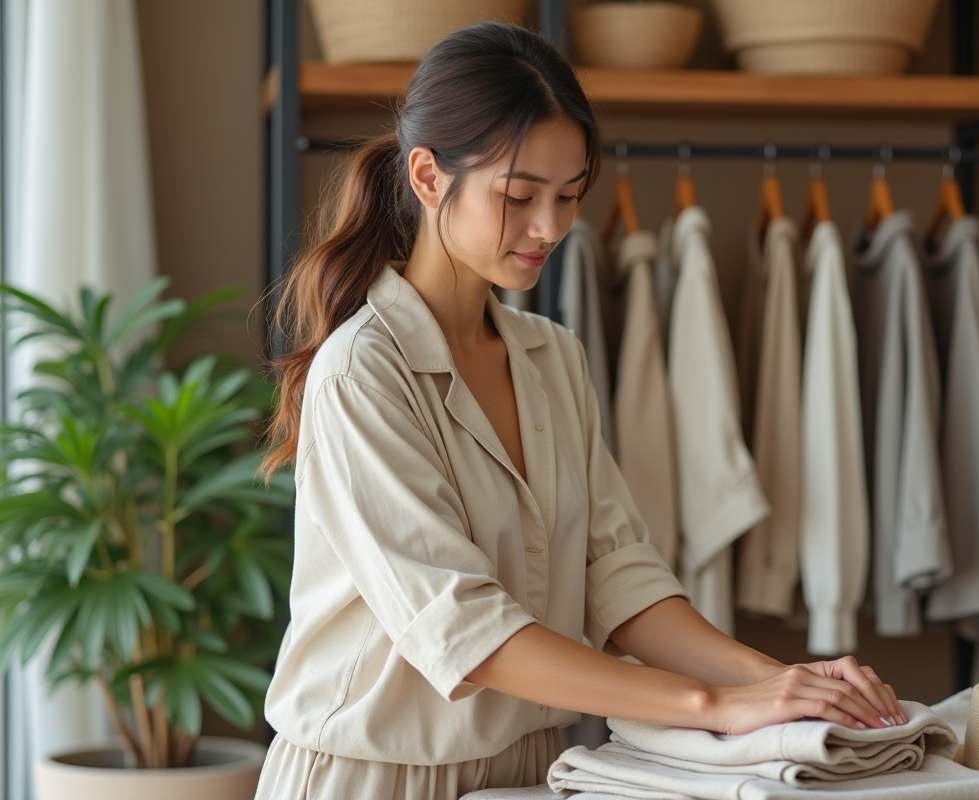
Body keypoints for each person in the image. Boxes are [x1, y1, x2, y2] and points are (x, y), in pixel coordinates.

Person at [256, 21, 904, 800]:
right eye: (520, 195)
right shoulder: (362, 374)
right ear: (427, 178)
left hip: (529, 773)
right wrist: (716, 706)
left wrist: (780, 681)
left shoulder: (552, 356)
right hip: (370, 779)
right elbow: (464, 630)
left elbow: (617, 576)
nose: (551, 229)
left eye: (568, 197)